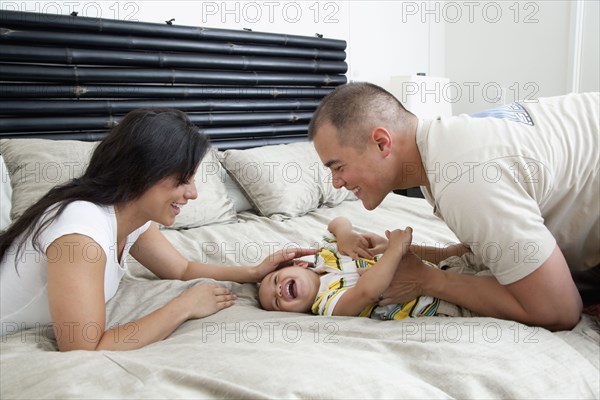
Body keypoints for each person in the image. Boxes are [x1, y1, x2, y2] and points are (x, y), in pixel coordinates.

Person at [0, 109, 316, 351]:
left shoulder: (131, 218)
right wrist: (184, 307)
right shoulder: (81, 230)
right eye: (183, 179)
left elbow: (182, 268)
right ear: (144, 172)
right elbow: (84, 347)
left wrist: (254, 271)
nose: (192, 194)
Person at [308, 82, 600, 331]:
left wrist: (428, 280)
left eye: (338, 166)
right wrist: (426, 254)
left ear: (382, 143)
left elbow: (560, 310)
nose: (335, 183)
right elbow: (490, 246)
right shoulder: (444, 146)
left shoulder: (462, 178)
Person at [259, 217, 474, 319]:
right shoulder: (327, 304)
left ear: (300, 264)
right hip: (439, 304)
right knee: (499, 294)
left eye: (275, 280)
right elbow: (367, 292)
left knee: (480, 252)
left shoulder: (325, 255)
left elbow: (338, 221)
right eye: (276, 303)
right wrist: (394, 249)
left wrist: (345, 235)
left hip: (442, 269)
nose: (277, 291)